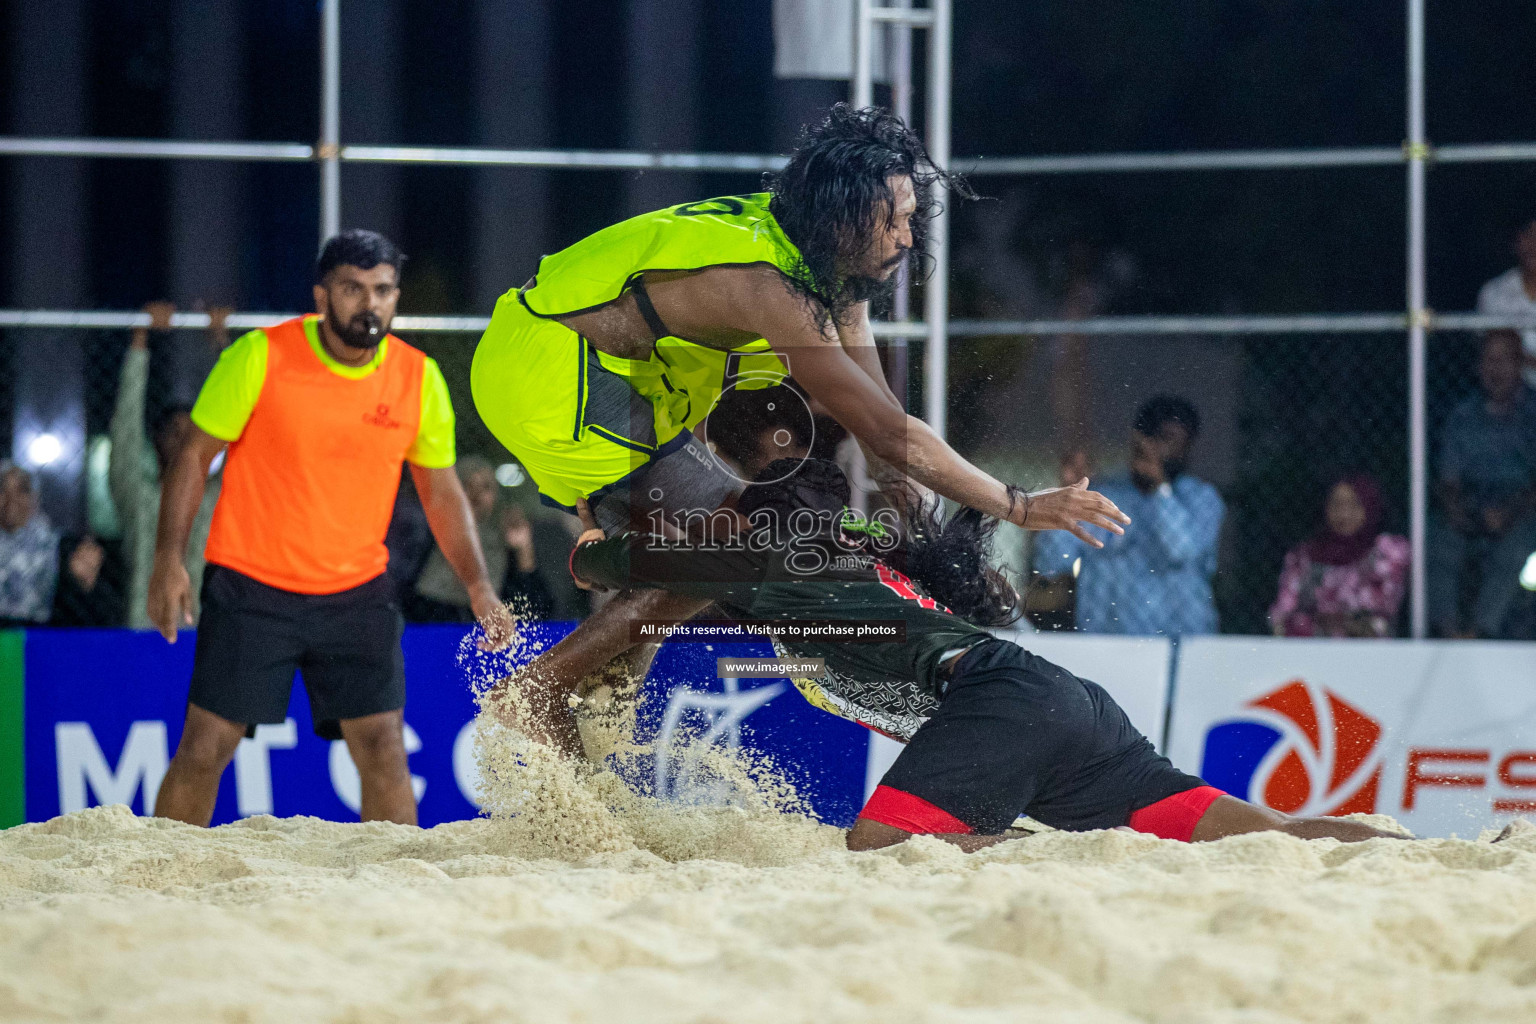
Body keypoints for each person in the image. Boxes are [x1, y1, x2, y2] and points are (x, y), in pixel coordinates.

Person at [470, 104, 1127, 708]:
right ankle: (537, 693)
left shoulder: (824, 258)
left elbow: (876, 399)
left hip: (584, 372)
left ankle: (581, 714)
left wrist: (896, 482)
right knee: (737, 546)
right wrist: (1020, 506)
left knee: (702, 565)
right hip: (552, 372)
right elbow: (889, 430)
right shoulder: (771, 283)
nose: (908, 234)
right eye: (893, 218)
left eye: (910, 215)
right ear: (842, 215)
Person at [523, 458, 1403, 850]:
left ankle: (1065, 853)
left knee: (878, 845)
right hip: (1067, 703)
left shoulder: (745, 546)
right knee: (1256, 833)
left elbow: (601, 564)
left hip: (1002, 701)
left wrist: (595, 527)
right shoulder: (844, 541)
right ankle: (1391, 849)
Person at [147, 229, 516, 827]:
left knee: (382, 746)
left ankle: (396, 888)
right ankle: (154, 877)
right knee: (207, 745)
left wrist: (478, 584)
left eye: (382, 290)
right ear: (322, 296)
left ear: (395, 298)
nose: (368, 303)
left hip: (356, 593)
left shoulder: (417, 378)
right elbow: (192, 456)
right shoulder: (260, 356)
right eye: (352, 288)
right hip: (251, 585)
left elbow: (441, 491)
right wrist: (168, 560)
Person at [1032, 395, 1224, 635]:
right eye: (1161, 439)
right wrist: (1064, 499)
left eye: (1178, 441)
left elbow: (1180, 552)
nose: (1169, 449)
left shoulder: (1202, 498)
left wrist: (1158, 487)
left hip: (1180, 644)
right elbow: (1051, 563)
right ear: (1139, 440)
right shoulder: (1102, 494)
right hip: (1106, 644)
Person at [110, 300, 229, 629]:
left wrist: (221, 345)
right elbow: (125, 430)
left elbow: (243, 424)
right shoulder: (139, 495)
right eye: (173, 433)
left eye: (190, 435)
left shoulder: (214, 496)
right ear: (157, 440)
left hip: (204, 634)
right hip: (142, 630)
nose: (182, 442)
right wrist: (139, 341)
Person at [1429, 330, 1536, 639]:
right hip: (1472, 502)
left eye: (1504, 360)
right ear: (1478, 366)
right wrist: (1457, 510)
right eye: (1489, 360)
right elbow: (1448, 479)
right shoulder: (1462, 416)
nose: (1495, 369)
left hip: (1523, 505)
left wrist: (1510, 511)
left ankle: (1480, 633)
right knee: (1438, 539)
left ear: (1519, 365)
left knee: (1516, 548)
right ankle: (1448, 633)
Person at [411, 456, 555, 622]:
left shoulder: (505, 539)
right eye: (467, 485)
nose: (476, 495)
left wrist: (524, 551)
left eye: (486, 487)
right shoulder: (427, 533)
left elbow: (538, 611)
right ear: (454, 491)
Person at [1269, 474, 1409, 638]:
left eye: (1354, 504)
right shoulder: (1302, 556)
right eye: (1336, 504)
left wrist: (1324, 621)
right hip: (1312, 653)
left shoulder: (1389, 551)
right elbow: (1280, 617)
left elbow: (1379, 617)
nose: (1343, 514)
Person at [1476, 218, 1536, 387]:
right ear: (1516, 242)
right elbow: (1492, 352)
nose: (1534, 244)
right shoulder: (1494, 292)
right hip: (1512, 394)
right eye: (1528, 235)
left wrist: (1518, 354)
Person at [0, 463, 58, 626]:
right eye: (3, 490)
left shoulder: (52, 543)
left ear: (35, 497)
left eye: (22, 490)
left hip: (36, 632)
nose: (12, 498)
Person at [51, 533, 124, 626]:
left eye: (89, 548)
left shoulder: (110, 598)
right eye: (78, 552)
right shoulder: (57, 595)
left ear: (100, 553)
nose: (83, 554)